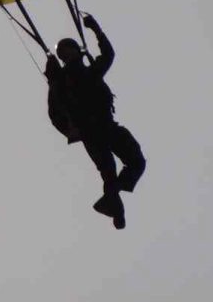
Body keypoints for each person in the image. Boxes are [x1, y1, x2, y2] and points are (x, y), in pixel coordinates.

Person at [45, 13, 146, 229]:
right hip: (91, 132)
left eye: (69, 49)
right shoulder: (64, 81)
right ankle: (115, 209)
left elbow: (108, 55)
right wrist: (70, 130)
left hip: (106, 126)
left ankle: (112, 200)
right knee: (109, 171)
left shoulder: (87, 72)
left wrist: (96, 30)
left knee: (135, 162)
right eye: (63, 52)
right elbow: (54, 113)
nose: (67, 54)